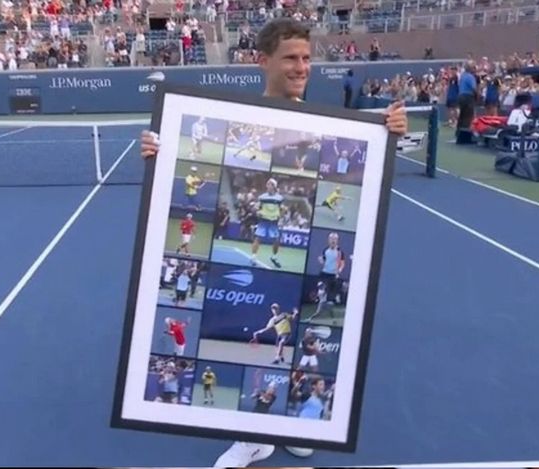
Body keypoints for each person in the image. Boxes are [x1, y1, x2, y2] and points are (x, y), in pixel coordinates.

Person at [139, 17, 408, 468]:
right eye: (290, 58)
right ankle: (252, 437)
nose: (302, 67)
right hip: (263, 258)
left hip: (301, 260)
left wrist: (390, 132)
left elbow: (361, 176)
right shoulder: (238, 120)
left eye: (306, 58)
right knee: (253, 335)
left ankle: (294, 425)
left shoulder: (331, 126)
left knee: (303, 341)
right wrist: (158, 150)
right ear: (263, 61)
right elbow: (193, 167)